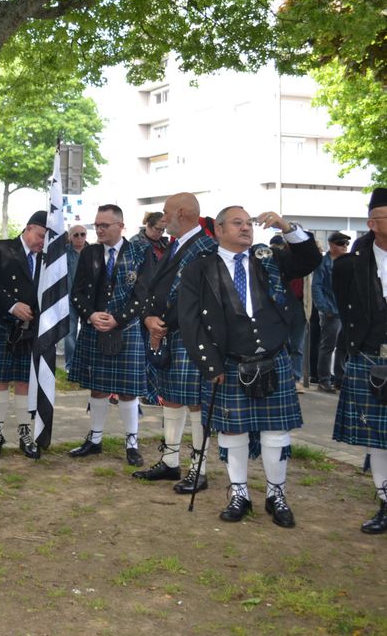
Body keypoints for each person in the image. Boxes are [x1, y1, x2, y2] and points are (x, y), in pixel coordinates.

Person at [179, 207, 320, 527]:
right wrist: (209, 363)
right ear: (218, 230)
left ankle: (276, 494)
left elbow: (310, 260)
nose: (246, 228)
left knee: (275, 431)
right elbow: (190, 321)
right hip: (229, 362)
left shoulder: (268, 257)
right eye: (237, 223)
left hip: (274, 357)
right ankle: (239, 492)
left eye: (248, 223)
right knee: (232, 431)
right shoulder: (199, 269)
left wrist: (287, 227)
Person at [132, 192, 217, 493]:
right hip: (169, 331)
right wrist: (148, 318)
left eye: (167, 213)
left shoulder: (206, 247)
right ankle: (170, 461)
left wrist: (162, 325)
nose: (163, 218)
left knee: (195, 402)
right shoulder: (176, 245)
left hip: (192, 335)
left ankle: (199, 469)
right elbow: (157, 286)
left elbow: (193, 297)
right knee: (171, 397)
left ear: (182, 212)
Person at [68, 205, 149, 466]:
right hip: (95, 327)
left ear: (120, 226)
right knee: (98, 388)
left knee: (128, 391)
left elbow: (144, 294)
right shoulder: (89, 252)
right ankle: (95, 439)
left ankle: (132, 442)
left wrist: (118, 318)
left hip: (126, 329)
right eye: (97, 225)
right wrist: (90, 315)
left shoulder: (140, 251)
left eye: (105, 225)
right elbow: (77, 292)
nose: (99, 230)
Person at [332, 190, 387, 534]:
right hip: (370, 357)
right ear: (372, 224)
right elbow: (345, 307)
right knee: (379, 437)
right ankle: (385, 502)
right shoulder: (350, 266)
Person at [0, 211, 47, 459]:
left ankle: (24, 432)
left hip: (30, 328)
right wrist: (12, 305)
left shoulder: (46, 258)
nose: (42, 242)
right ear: (28, 229)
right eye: (40, 236)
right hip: (3, 323)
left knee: (24, 381)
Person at [270, 234, 309, 393]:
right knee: (280, 344)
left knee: (297, 345)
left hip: (300, 305)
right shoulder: (278, 259)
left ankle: (296, 378)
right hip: (280, 306)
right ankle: (280, 376)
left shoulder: (306, 261)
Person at [313, 231, 350, 392]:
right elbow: (317, 286)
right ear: (332, 245)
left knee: (343, 347)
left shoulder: (348, 262)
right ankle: (324, 380)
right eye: (341, 244)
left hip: (345, 311)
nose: (345, 247)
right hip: (331, 311)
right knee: (328, 346)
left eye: (346, 244)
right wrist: (324, 308)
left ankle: (340, 379)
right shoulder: (323, 263)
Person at [64, 225, 87, 373]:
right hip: (69, 299)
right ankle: (71, 366)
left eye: (82, 234)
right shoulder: (64, 252)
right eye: (76, 235)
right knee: (69, 333)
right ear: (70, 237)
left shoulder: (93, 251)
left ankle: (85, 365)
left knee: (86, 333)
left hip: (88, 300)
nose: (79, 238)